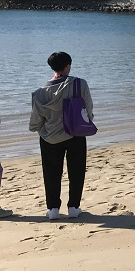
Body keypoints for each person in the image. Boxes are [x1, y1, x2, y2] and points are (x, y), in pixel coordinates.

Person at [29, 51, 94, 220]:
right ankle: (73, 207)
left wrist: (42, 130)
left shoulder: (40, 92)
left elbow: (36, 121)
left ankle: (53, 210)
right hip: (75, 134)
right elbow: (88, 110)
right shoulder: (80, 84)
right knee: (77, 171)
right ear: (67, 66)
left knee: (51, 173)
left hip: (49, 137)